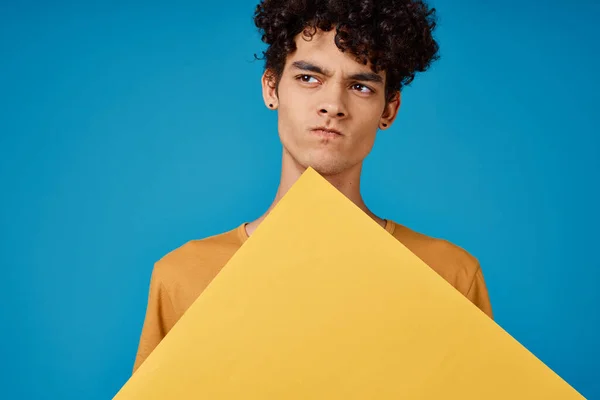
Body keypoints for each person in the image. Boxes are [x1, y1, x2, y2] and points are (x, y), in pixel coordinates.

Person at [132, 0, 493, 373]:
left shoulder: (449, 274)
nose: (332, 105)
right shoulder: (184, 276)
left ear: (389, 109)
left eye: (360, 86)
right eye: (309, 78)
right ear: (272, 88)